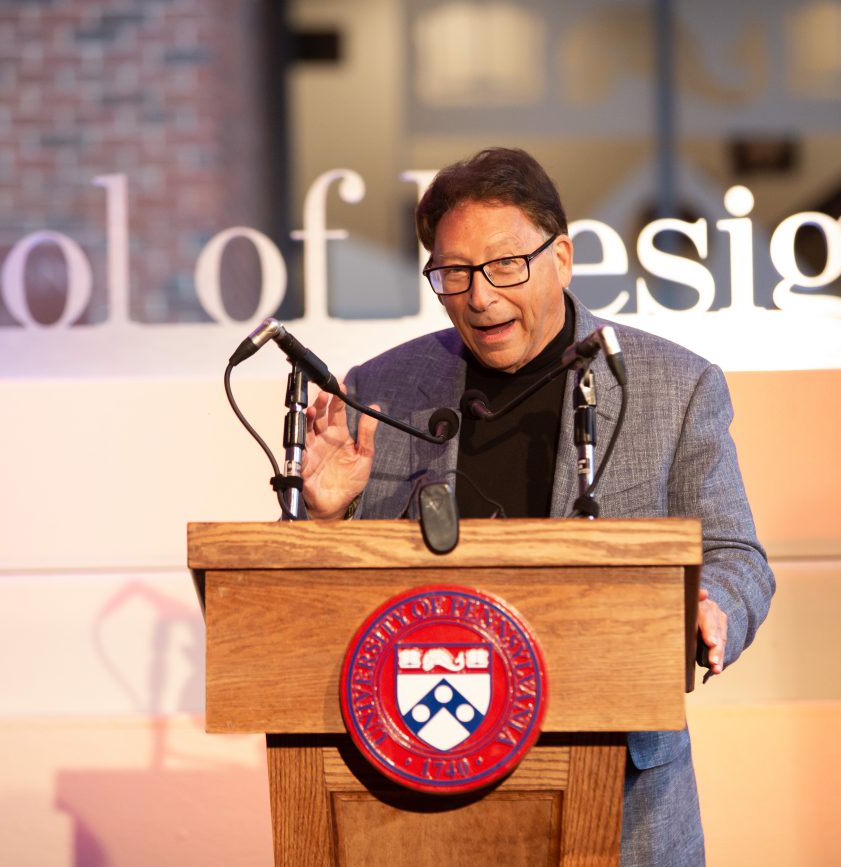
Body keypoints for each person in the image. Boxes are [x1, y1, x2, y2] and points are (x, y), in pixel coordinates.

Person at [301, 146, 774, 866]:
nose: (480, 297)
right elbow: (316, 607)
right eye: (453, 273)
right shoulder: (383, 389)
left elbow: (738, 556)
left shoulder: (673, 387)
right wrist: (328, 518)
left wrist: (710, 605)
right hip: (422, 779)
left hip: (619, 788)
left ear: (562, 256)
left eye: (504, 266)